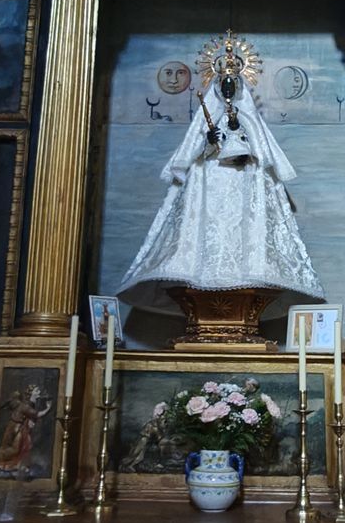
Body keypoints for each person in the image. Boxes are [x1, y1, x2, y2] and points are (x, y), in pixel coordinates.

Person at [117, 32, 325, 321]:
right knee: (207, 228)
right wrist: (208, 141)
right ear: (217, 83)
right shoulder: (205, 117)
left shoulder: (248, 116)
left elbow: (263, 153)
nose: (228, 86)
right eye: (224, 82)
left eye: (232, 82)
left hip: (243, 182)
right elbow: (188, 155)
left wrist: (242, 136)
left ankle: (244, 274)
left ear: (239, 84)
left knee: (244, 228)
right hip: (210, 183)